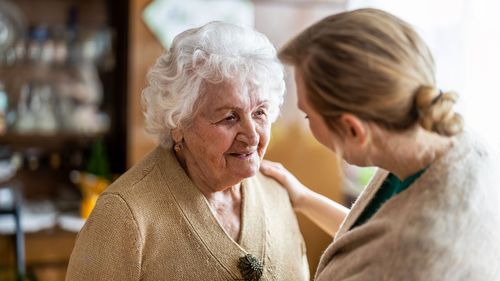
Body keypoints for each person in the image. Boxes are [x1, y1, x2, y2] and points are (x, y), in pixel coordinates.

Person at [261, 8, 500, 280]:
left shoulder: (420, 256)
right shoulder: (444, 138)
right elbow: (373, 239)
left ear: (353, 129)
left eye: (307, 115)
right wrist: (303, 198)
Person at [66, 21, 309, 281]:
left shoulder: (277, 195)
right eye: (229, 117)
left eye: (260, 112)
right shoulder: (123, 215)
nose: (251, 135)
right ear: (178, 123)